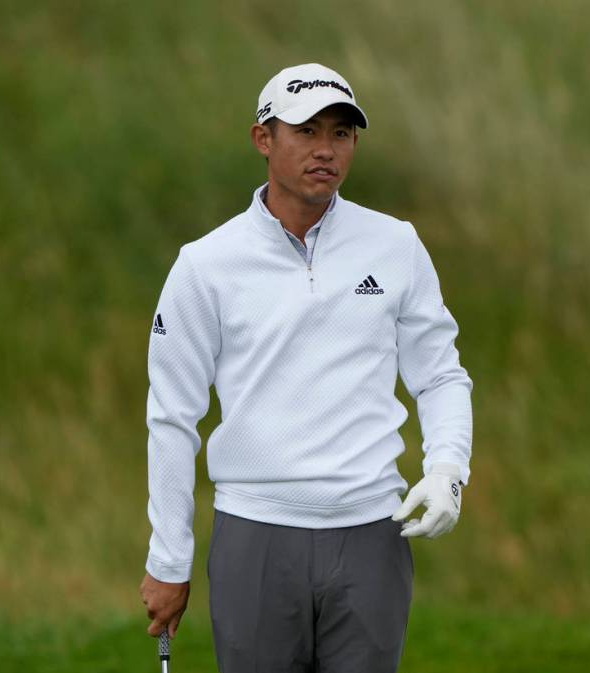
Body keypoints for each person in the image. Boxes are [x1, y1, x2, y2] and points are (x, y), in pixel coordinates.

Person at [139, 62, 473, 673]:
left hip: (372, 531)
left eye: (342, 134)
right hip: (255, 535)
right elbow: (172, 419)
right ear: (263, 139)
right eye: (307, 131)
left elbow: (441, 375)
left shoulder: (395, 245)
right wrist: (169, 559)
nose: (326, 150)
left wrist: (448, 467)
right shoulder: (205, 265)